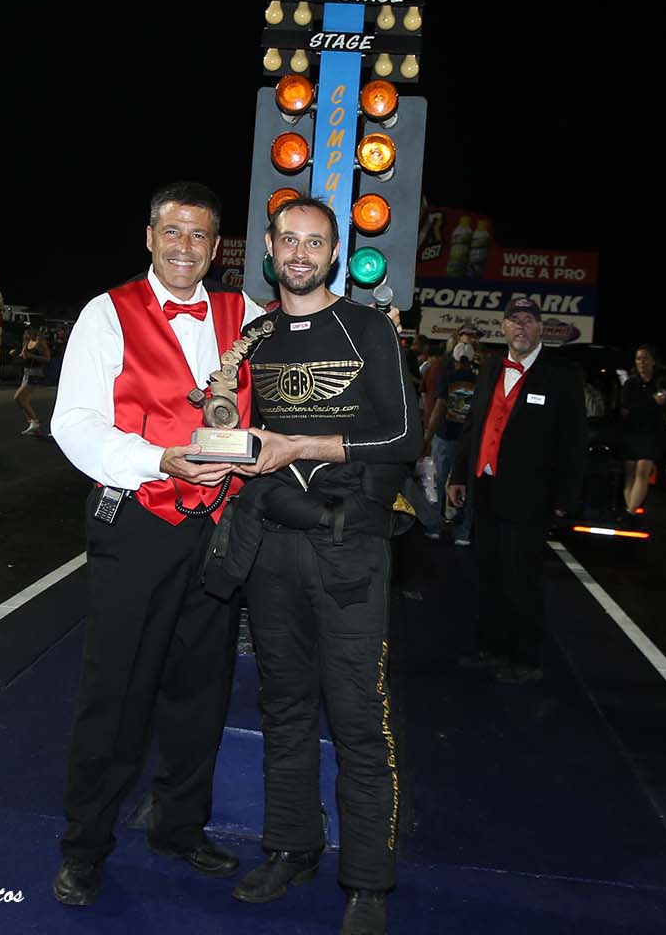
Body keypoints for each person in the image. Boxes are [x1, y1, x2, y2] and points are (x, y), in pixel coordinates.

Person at [47, 181, 265, 906]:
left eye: (199, 235)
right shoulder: (106, 313)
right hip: (139, 522)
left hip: (219, 527)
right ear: (149, 237)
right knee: (115, 692)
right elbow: (74, 423)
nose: (184, 247)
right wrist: (156, 459)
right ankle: (85, 845)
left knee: (201, 691)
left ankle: (179, 827)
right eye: (172, 231)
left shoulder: (245, 315)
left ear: (216, 246)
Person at [230, 196, 420, 935]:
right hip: (272, 547)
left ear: (335, 254)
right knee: (282, 706)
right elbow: (230, 428)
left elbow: (403, 437)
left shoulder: (369, 329)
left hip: (350, 550)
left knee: (357, 715)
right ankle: (291, 846)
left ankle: (368, 880)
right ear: (270, 248)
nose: (301, 254)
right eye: (290, 240)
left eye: (315, 242)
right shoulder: (254, 338)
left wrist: (299, 446)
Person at [447, 295, 586, 684]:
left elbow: (574, 439)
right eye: (514, 320)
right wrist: (458, 475)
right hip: (486, 487)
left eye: (528, 319)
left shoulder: (562, 374)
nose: (521, 326)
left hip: (530, 495)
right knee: (489, 574)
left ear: (540, 328)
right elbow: (473, 425)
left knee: (521, 579)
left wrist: (566, 496)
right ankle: (491, 647)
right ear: (503, 327)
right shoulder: (491, 367)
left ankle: (525, 658)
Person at [422, 340, 479, 544]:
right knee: (465, 483)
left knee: (437, 482)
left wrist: (428, 437)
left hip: (445, 435)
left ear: (454, 358)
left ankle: (434, 527)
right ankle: (463, 531)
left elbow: (439, 407)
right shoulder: (478, 380)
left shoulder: (448, 377)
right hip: (468, 440)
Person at [620, 344, 666, 515]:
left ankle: (630, 512)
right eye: (638, 359)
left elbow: (664, 405)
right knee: (630, 474)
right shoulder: (630, 384)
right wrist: (650, 402)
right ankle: (631, 511)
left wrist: (644, 406)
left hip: (651, 433)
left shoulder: (661, 383)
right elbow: (627, 409)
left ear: (653, 361)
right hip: (632, 431)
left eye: (645, 358)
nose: (641, 362)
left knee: (643, 471)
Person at [14, 326, 52, 436]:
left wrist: (33, 356)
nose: (27, 333)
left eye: (29, 331)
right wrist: (17, 355)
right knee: (23, 401)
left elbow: (47, 358)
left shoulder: (40, 343)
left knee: (18, 397)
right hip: (26, 373)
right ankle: (35, 428)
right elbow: (23, 356)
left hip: (35, 373)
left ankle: (35, 422)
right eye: (26, 332)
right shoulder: (27, 342)